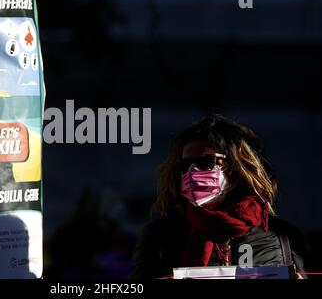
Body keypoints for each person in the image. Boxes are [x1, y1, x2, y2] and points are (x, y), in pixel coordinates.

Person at [131, 114, 308, 279]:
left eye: (207, 162)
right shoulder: (160, 236)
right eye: (185, 165)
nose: (192, 172)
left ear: (238, 169)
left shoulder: (282, 236)